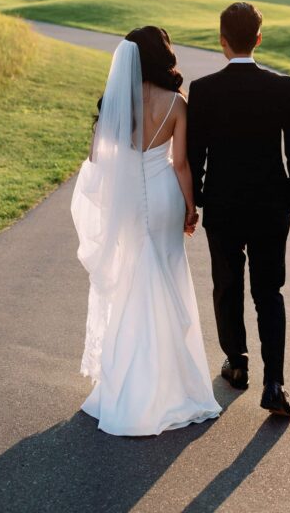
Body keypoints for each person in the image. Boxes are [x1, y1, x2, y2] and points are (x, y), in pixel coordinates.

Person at [71, 25, 221, 436]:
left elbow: (95, 158)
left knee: (134, 280)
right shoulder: (176, 102)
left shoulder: (116, 103)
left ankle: (128, 382)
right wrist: (192, 208)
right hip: (165, 195)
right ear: (162, 55)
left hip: (132, 203)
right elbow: (181, 164)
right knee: (170, 275)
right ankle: (174, 383)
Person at [187, 2, 290, 417]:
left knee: (226, 285)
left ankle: (237, 365)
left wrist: (200, 196)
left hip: (222, 204)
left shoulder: (203, 90)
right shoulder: (282, 87)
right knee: (269, 292)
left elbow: (194, 152)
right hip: (271, 206)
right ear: (259, 38)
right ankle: (274, 382)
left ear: (222, 41)